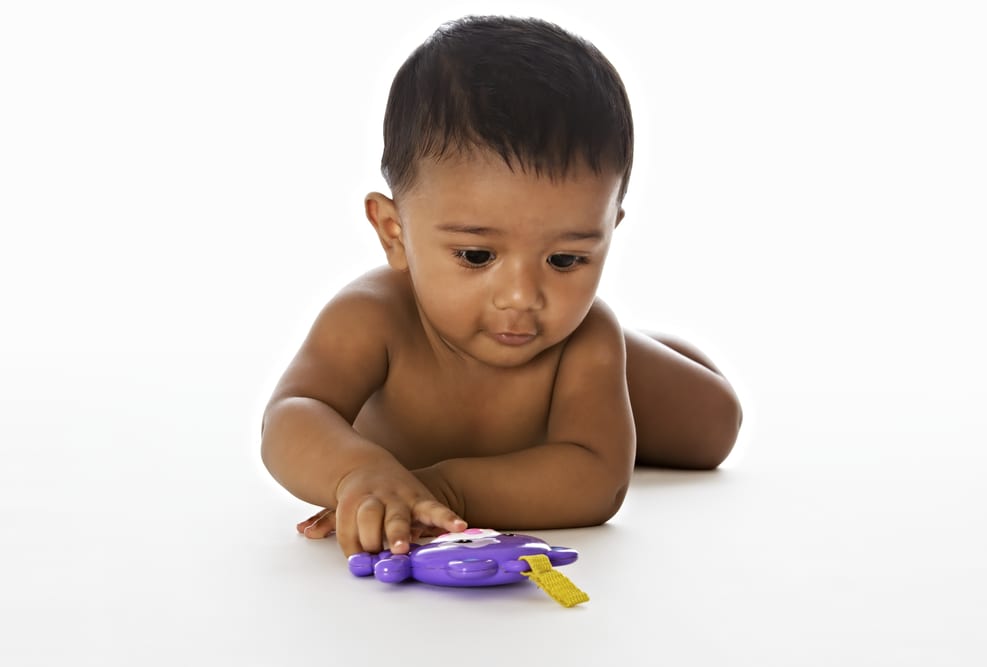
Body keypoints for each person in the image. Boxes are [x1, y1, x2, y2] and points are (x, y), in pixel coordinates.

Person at [261, 15, 742, 558]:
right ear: (394, 231)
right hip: (554, 343)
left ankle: (639, 357)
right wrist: (358, 473)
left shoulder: (583, 339)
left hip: (594, 362)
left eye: (565, 259)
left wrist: (437, 489)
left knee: (714, 426)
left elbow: (597, 481)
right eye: (476, 255)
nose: (520, 295)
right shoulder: (372, 317)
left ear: (608, 232)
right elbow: (292, 413)